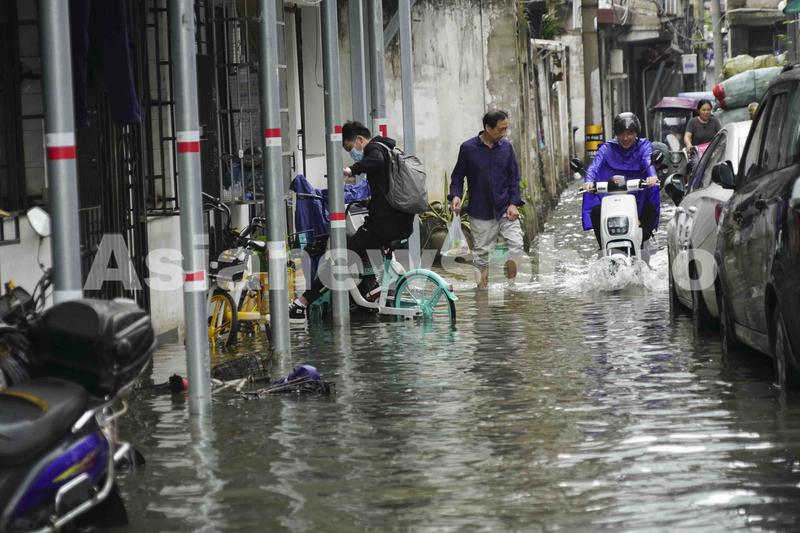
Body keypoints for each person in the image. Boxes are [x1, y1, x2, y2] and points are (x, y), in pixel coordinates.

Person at [288, 121, 414, 321]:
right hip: (402, 223)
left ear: (359, 140)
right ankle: (375, 292)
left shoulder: (375, 149)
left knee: (339, 258)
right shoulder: (391, 149)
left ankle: (300, 304)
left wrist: (351, 170)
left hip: (384, 225)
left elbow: (375, 160)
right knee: (364, 250)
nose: (352, 152)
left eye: (350, 148)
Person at [449, 110, 525, 289]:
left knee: (516, 246)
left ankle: (510, 287)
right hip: (480, 211)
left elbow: (514, 177)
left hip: (506, 208)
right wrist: (456, 195)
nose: (504, 133)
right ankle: (482, 294)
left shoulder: (506, 147)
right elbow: (458, 176)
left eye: (506, 129)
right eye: (500, 129)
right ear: (487, 128)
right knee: (482, 256)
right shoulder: (468, 149)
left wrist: (514, 203)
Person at [582, 112, 660, 254]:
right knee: (596, 211)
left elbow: (648, 163)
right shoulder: (607, 148)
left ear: (636, 133)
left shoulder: (644, 146)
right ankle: (603, 247)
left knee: (650, 208)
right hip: (613, 200)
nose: (625, 138)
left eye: (630, 133)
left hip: (639, 199)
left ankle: (643, 243)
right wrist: (588, 181)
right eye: (621, 134)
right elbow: (594, 165)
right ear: (616, 134)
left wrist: (652, 177)